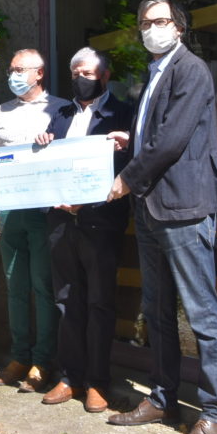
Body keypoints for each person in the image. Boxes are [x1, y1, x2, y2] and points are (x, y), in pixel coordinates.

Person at [105, 0, 217, 434]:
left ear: (178, 27)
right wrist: (131, 140)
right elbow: (157, 134)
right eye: (144, 23)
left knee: (202, 313)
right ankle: (163, 398)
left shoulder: (190, 69)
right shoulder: (154, 72)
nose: (151, 29)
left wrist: (126, 178)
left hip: (183, 207)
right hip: (151, 207)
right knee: (157, 310)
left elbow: (173, 139)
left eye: (159, 21)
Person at [33, 47, 133, 414]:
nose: (80, 79)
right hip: (61, 222)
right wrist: (42, 144)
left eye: (87, 73)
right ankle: (69, 377)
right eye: (75, 73)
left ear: (105, 76)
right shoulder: (59, 114)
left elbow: (133, 165)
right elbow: (46, 164)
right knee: (66, 301)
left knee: (100, 303)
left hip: (101, 222)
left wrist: (127, 144)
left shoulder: (123, 113)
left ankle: (97, 382)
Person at [0, 48, 68, 391]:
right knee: (15, 287)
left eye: (20, 70)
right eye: (11, 70)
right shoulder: (0, 112)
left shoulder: (60, 109)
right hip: (8, 211)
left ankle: (42, 362)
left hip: (44, 211)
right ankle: (19, 357)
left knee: (43, 287)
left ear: (39, 73)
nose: (13, 75)